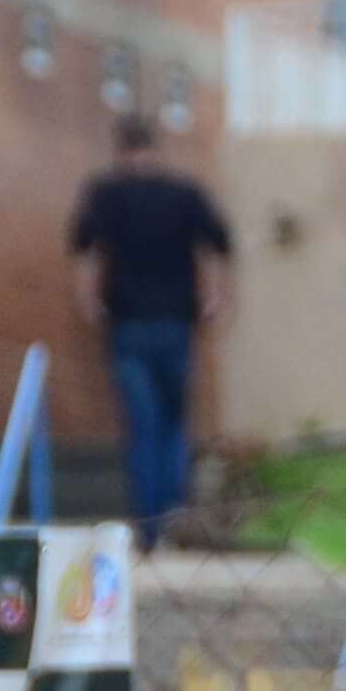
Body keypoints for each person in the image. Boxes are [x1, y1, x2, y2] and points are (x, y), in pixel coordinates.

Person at [67, 113, 233, 543]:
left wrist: (89, 300)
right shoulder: (185, 193)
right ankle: (174, 513)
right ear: (154, 148)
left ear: (122, 150)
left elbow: (87, 252)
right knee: (176, 423)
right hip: (178, 322)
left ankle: (149, 527)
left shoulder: (107, 193)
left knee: (143, 426)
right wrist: (212, 297)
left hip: (129, 325)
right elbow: (216, 245)